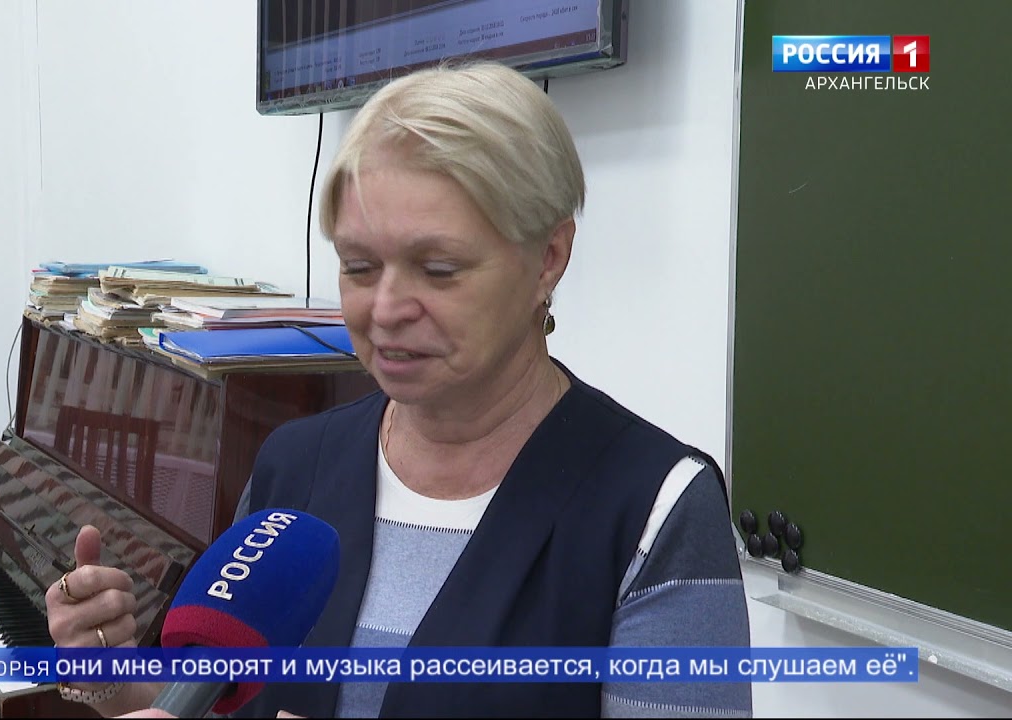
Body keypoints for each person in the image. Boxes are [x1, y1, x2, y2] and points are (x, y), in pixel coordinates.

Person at [45, 60, 753, 719]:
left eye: (438, 269)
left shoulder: (656, 506)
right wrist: (116, 679)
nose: (385, 309)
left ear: (549, 258)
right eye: (358, 267)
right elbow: (214, 698)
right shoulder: (295, 465)